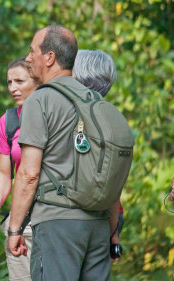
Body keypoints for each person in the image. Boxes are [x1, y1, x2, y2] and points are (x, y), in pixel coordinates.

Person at [8, 25, 115, 281]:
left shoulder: (41, 100)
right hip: (98, 224)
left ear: (49, 58)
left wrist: (15, 229)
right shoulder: (96, 100)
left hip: (57, 223)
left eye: (32, 51)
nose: (28, 58)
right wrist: (111, 232)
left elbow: (29, 173)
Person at [0, 57, 40, 281]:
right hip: (21, 221)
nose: (13, 88)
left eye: (19, 81)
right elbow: (5, 173)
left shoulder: (54, 114)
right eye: (9, 82)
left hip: (53, 218)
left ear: (36, 80)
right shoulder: (7, 121)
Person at [73, 49, 123, 262]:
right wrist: (114, 235)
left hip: (77, 220)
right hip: (109, 216)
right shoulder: (112, 119)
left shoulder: (73, 118)